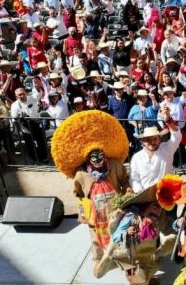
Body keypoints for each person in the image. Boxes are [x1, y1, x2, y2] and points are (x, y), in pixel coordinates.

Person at [50, 110, 131, 277]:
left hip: (116, 209)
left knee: (120, 234)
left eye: (100, 154)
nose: (98, 158)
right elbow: (79, 195)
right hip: (95, 212)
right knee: (96, 238)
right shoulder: (81, 175)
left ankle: (124, 261)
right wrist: (82, 213)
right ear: (87, 159)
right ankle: (99, 260)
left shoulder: (115, 165)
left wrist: (128, 190)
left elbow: (124, 180)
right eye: (93, 156)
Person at [98, 178, 178, 285]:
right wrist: (126, 232)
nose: (157, 212)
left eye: (160, 209)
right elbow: (116, 236)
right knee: (138, 278)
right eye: (155, 207)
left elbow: (171, 230)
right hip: (130, 257)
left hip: (148, 256)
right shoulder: (131, 217)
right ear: (145, 208)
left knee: (150, 271)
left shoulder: (159, 218)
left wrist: (168, 242)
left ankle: (145, 280)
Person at [129, 107, 182, 193]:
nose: (152, 142)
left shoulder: (167, 149)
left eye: (155, 139)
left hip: (167, 195)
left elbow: (177, 136)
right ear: (143, 142)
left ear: (159, 139)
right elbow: (134, 179)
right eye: (148, 140)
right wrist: (143, 195)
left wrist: (168, 119)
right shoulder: (136, 157)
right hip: (145, 199)